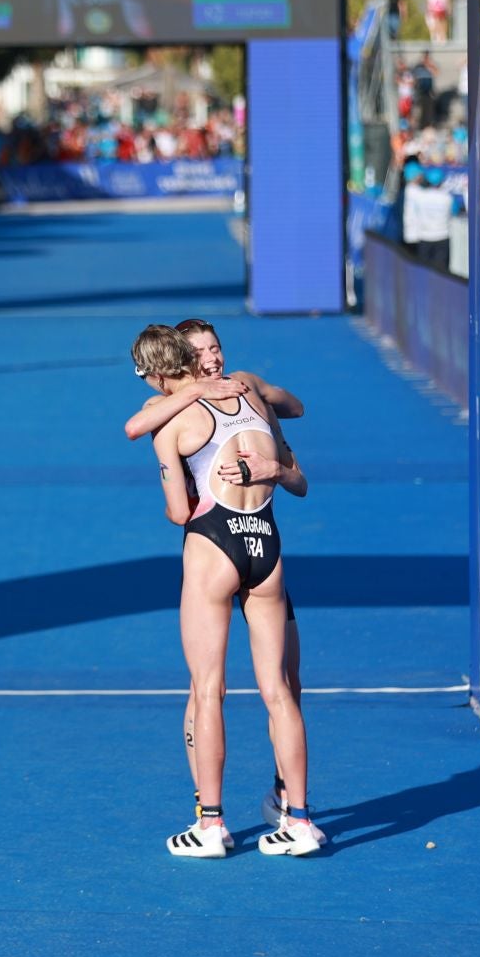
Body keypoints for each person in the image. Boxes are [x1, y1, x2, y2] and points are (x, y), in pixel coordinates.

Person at [132, 325, 323, 858]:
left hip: (214, 547)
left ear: (161, 371)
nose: (212, 360)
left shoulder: (172, 419)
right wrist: (275, 461)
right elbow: (296, 411)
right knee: (280, 689)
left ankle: (211, 824)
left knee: (206, 689)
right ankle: (300, 818)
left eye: (215, 349)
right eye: (204, 353)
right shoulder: (252, 392)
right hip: (266, 545)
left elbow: (176, 512)